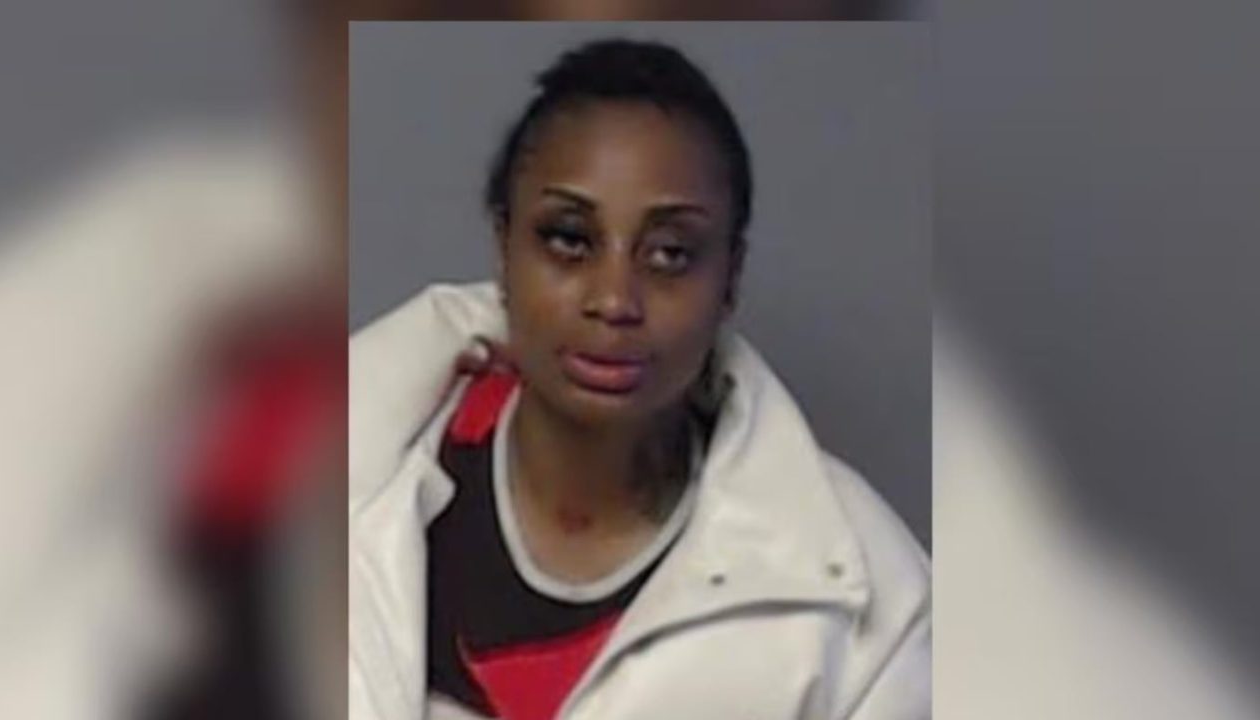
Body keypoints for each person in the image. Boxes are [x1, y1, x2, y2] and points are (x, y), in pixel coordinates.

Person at [349, 38, 930, 720]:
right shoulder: (338, 479)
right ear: (505, 249)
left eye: (670, 254)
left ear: (730, 277)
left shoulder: (873, 602)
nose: (614, 300)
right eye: (569, 239)